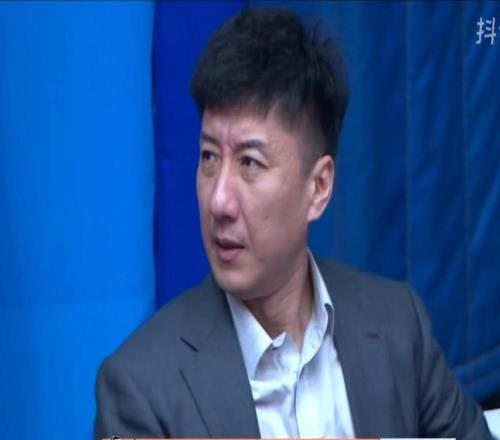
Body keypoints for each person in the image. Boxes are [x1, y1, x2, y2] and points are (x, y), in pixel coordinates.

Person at [94, 7, 492, 439]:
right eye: (208, 157)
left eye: (250, 162)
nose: (219, 200)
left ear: (318, 187)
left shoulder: (398, 326)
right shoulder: (141, 387)